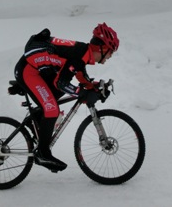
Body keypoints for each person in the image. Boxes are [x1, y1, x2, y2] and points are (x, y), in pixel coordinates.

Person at [14, 22, 120, 172]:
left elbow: (82, 78)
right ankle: (42, 153)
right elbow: (61, 83)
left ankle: (38, 120)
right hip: (29, 72)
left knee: (52, 102)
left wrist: (95, 88)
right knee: (52, 109)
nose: (110, 56)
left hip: (35, 71)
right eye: (110, 52)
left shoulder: (83, 53)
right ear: (102, 48)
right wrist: (81, 93)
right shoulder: (80, 54)